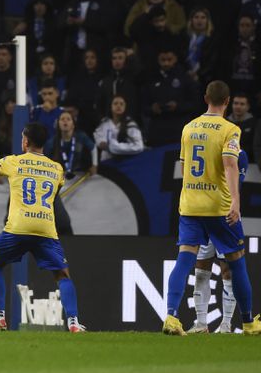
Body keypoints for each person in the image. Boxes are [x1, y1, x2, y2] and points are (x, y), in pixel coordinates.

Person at [0, 122, 87, 333]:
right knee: (62, 275)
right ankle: (73, 322)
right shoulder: (57, 168)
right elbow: (54, 195)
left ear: (25, 141)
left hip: (17, 227)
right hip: (45, 228)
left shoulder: (13, 162)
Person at [162, 81, 259, 336]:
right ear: (227, 102)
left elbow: (183, 168)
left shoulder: (188, 128)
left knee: (184, 260)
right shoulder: (230, 129)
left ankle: (171, 317)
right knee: (237, 263)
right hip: (219, 206)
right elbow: (230, 166)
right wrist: (236, 202)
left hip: (191, 204)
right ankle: (248, 323)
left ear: (206, 98)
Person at [189, 148, 249, 334]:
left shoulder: (240, 155)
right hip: (204, 216)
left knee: (228, 270)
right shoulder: (205, 148)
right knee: (200, 269)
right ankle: (201, 323)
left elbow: (235, 184)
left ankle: (226, 324)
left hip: (225, 218)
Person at [93, 95, 144, 161]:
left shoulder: (130, 124)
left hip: (124, 163)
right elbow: (98, 138)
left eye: (121, 104)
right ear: (111, 106)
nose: (118, 106)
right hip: (106, 162)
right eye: (115, 103)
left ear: (125, 107)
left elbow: (139, 146)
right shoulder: (104, 122)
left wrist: (114, 147)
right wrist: (101, 143)